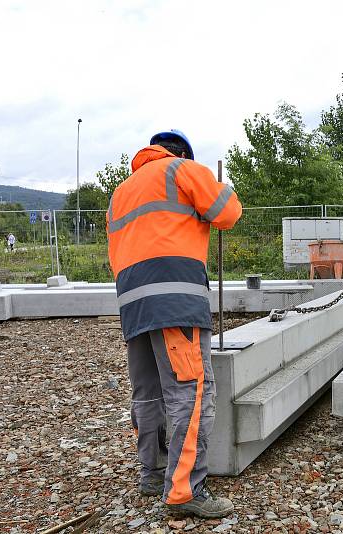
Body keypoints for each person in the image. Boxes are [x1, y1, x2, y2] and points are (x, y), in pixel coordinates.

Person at [107, 130, 242, 518]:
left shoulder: (121, 193)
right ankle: (186, 490)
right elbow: (228, 213)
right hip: (176, 302)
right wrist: (220, 186)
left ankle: (151, 473)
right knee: (191, 394)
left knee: (148, 393)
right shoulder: (183, 170)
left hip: (133, 305)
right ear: (179, 152)